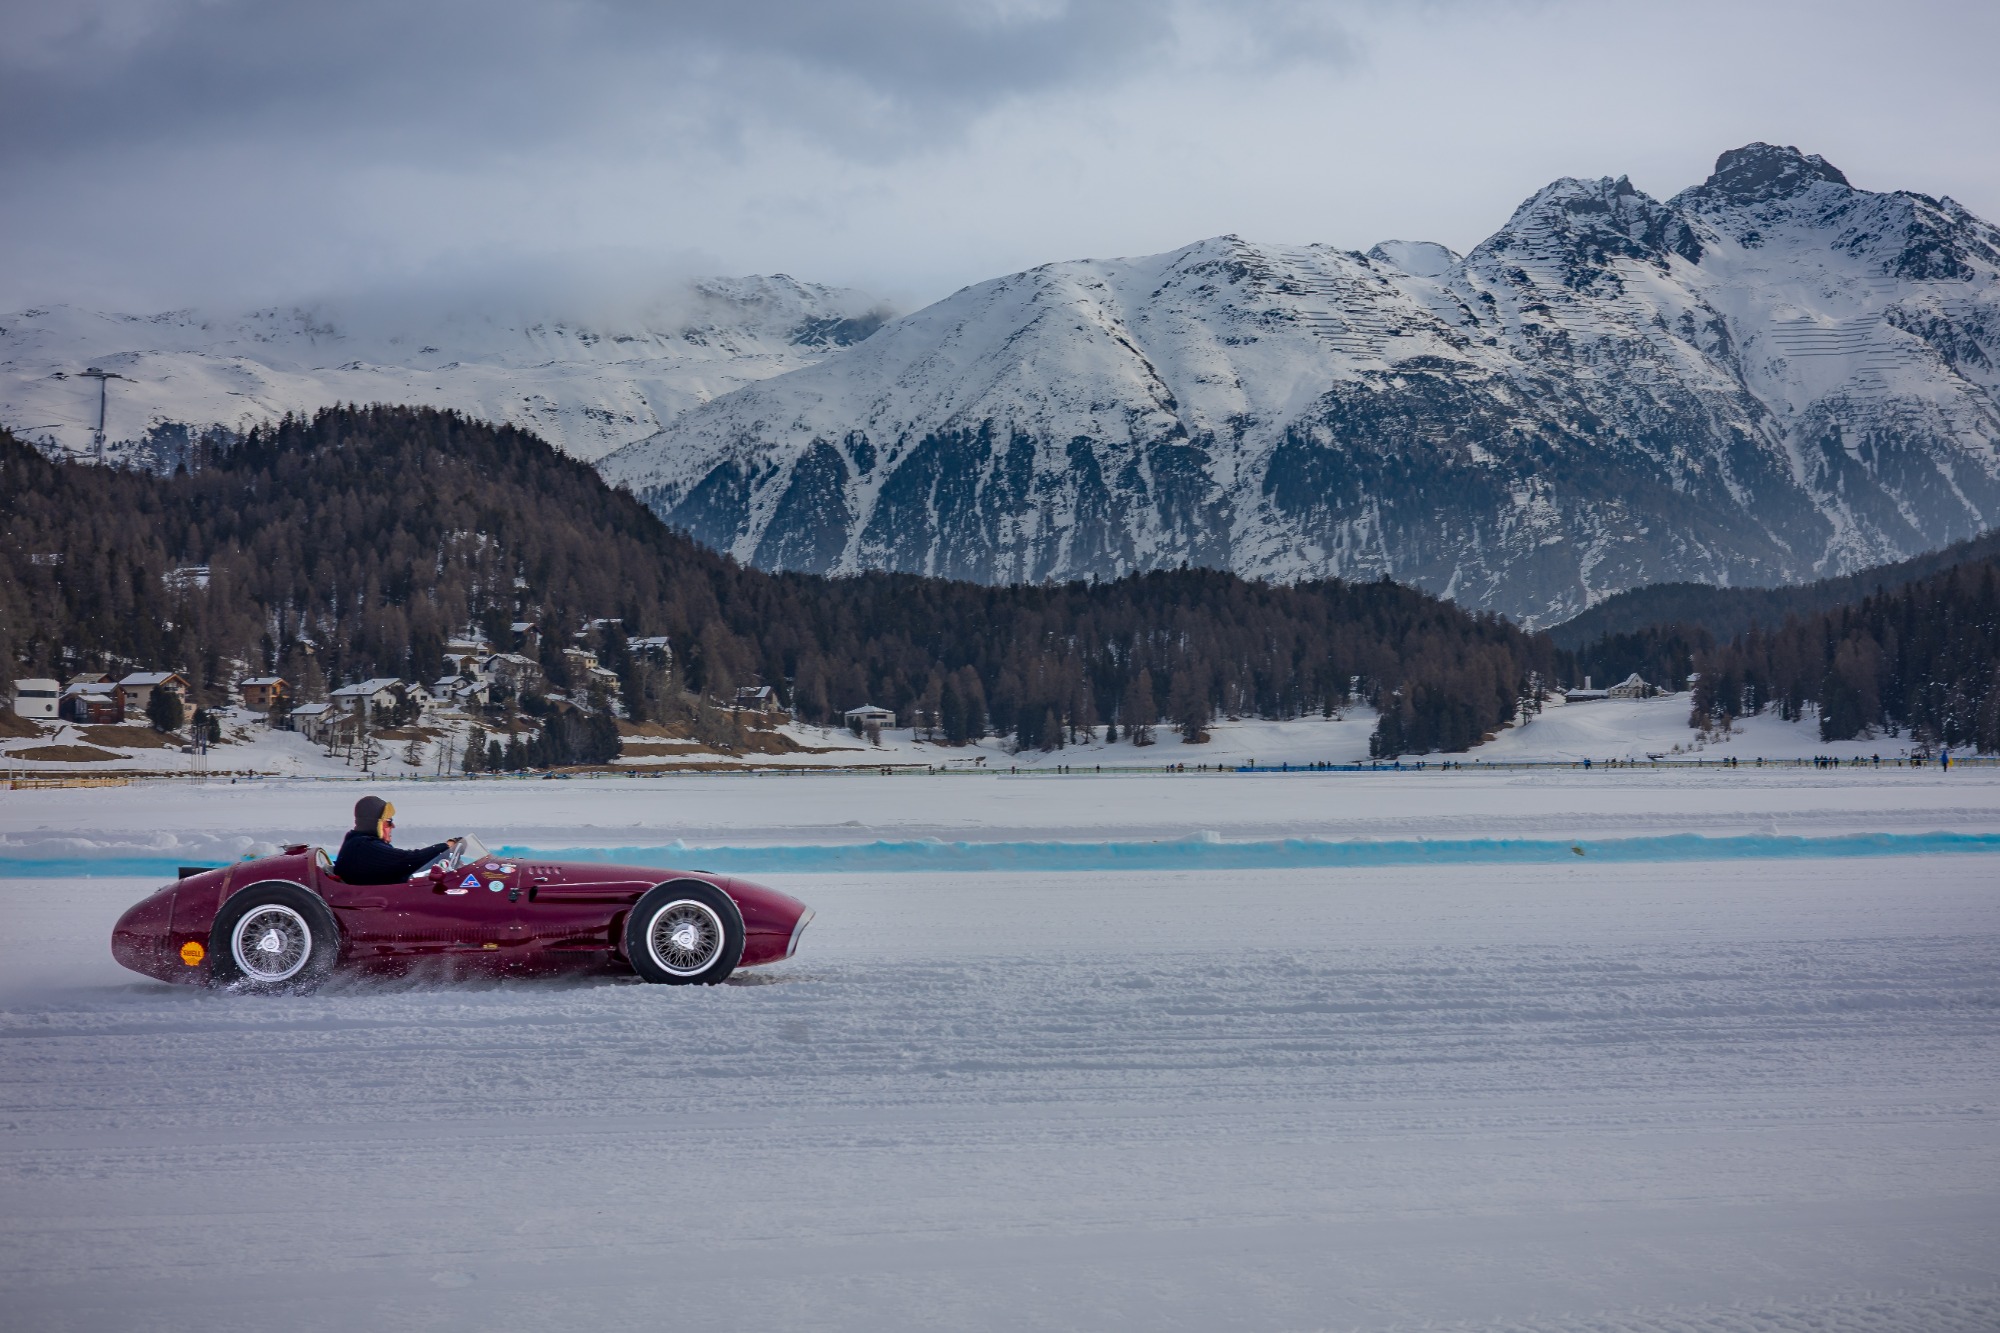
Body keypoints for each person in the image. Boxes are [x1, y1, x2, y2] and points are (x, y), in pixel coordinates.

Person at [333, 795, 455, 885]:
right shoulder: (363, 847)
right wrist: (446, 847)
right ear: (374, 824)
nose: (393, 826)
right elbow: (409, 860)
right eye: (388, 822)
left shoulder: (357, 842)